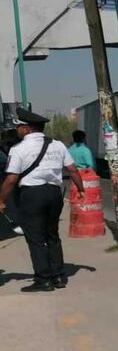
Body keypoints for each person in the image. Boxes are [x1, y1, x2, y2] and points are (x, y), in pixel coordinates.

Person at [0, 108, 85, 292]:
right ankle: (59, 276)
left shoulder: (19, 148)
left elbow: (11, 179)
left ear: (26, 129)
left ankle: (43, 280)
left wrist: (1, 199)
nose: (17, 130)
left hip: (32, 195)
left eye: (19, 127)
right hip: (54, 194)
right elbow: (73, 170)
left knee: (36, 238)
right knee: (52, 235)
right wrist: (81, 189)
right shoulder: (58, 145)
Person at [0, 128, 24, 235]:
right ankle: (18, 221)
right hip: (13, 177)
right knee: (15, 200)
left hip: (8, 177)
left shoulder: (7, 147)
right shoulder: (18, 146)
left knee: (13, 201)